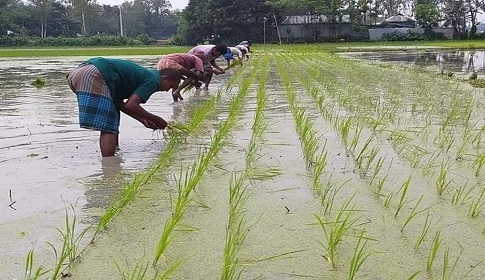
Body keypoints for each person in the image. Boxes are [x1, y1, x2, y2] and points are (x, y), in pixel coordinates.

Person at [67, 57, 181, 157]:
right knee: (108, 125)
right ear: (165, 78)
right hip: (93, 74)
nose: (167, 90)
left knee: (113, 115)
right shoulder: (154, 80)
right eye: (171, 86)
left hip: (78, 74)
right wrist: (158, 119)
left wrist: (142, 120)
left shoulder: (146, 75)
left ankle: (114, 154)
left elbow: (121, 104)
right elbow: (132, 105)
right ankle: (109, 168)